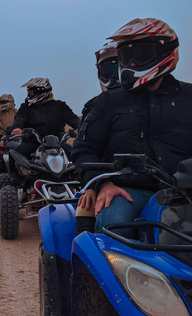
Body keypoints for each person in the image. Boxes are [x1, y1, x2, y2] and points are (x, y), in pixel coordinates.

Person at [71, 18, 192, 238]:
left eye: (140, 55)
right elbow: (83, 149)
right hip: (127, 191)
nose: (131, 64)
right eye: (126, 56)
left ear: (165, 51)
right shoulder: (109, 102)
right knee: (115, 224)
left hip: (184, 194)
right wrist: (104, 184)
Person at [75, 41, 121, 228]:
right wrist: (96, 183)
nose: (115, 77)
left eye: (119, 68)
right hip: (105, 179)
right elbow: (85, 148)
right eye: (108, 71)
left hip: (166, 183)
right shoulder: (95, 105)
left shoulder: (155, 99)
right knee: (85, 206)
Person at [12, 77, 80, 158]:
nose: (29, 95)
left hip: (57, 143)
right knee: (15, 155)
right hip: (33, 142)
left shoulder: (60, 106)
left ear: (42, 91)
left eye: (32, 93)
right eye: (29, 93)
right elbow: (20, 117)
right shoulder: (26, 107)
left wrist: (79, 127)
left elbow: (72, 118)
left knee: (76, 155)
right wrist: (17, 127)